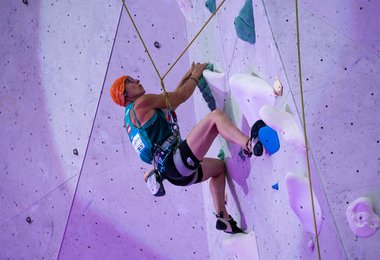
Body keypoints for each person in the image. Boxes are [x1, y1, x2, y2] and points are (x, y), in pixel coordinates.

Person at [110, 62, 257, 234]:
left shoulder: (131, 121)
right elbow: (180, 96)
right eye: (130, 80)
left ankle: (222, 217)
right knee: (215, 118)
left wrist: (189, 75)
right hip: (175, 161)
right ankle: (249, 143)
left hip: (175, 175)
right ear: (124, 93)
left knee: (218, 169)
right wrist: (195, 75)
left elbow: (171, 101)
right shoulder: (141, 103)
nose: (137, 80)